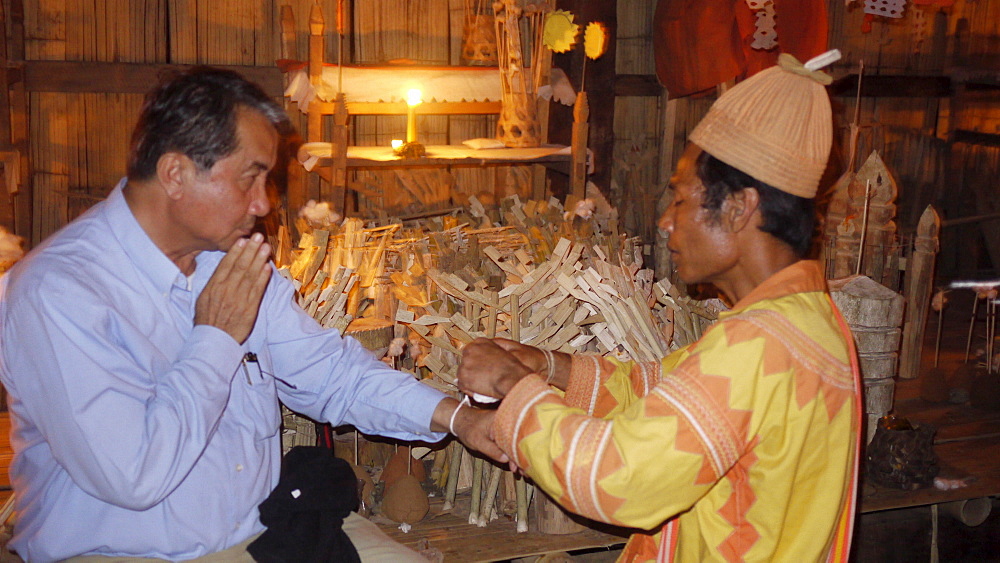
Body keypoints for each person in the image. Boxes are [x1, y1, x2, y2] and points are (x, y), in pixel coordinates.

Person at [0, 67, 501, 562]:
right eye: (251, 178)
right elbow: (133, 475)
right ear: (176, 173)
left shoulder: (230, 261)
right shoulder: (58, 292)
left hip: (262, 533)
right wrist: (215, 338)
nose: (264, 203)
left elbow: (330, 374)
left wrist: (460, 418)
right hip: (120, 553)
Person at [458, 54, 862, 562]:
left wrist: (510, 387)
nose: (667, 221)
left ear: (739, 208)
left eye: (681, 199)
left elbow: (617, 479)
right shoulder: (809, 320)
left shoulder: (757, 346)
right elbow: (659, 391)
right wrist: (548, 368)